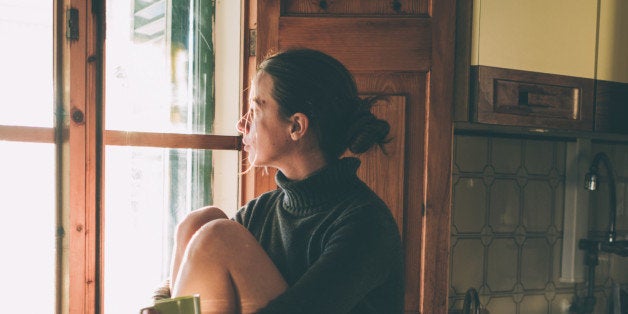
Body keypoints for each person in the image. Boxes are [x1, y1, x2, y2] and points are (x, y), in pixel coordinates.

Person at [157, 48, 404, 314]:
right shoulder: (262, 211)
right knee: (198, 223)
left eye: (255, 109)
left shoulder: (366, 223)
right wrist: (158, 305)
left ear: (296, 126)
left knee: (218, 236)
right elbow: (182, 280)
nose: (242, 124)